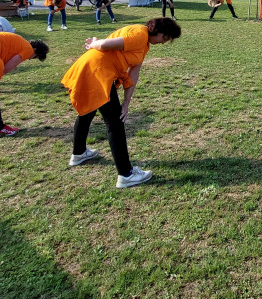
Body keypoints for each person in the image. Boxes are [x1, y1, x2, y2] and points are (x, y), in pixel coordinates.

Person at [61, 17, 182, 187]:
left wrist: (126, 102)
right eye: (165, 37)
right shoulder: (140, 34)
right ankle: (126, 175)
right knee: (115, 122)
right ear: (158, 31)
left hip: (97, 71)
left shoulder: (144, 44)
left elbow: (134, 74)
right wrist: (94, 43)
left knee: (88, 112)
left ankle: (79, 153)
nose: (164, 42)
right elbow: (104, 45)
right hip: (97, 71)